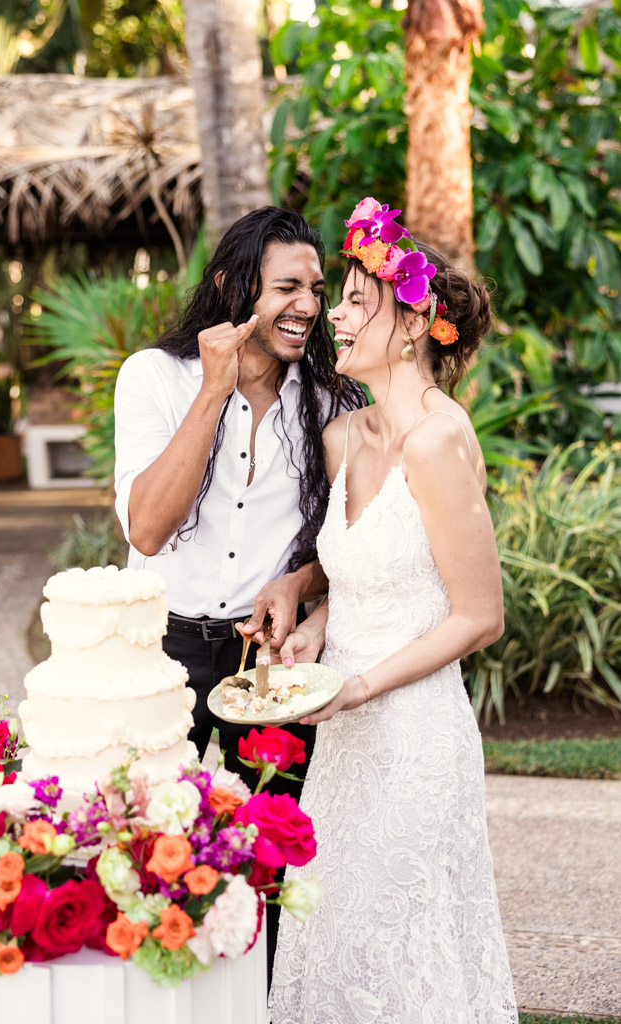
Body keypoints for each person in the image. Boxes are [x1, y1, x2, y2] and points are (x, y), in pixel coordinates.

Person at [268, 197, 518, 1023]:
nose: (329, 315)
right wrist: (310, 633)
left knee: (400, 946)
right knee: (332, 933)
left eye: (350, 301)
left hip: (409, 733)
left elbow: (478, 615)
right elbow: (366, 582)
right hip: (341, 732)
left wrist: (362, 686)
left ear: (411, 324)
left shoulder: (437, 440)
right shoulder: (348, 436)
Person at [113, 206, 363, 978]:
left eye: (317, 290)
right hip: (163, 653)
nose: (308, 307)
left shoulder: (332, 402)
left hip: (271, 667)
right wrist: (213, 391)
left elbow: (354, 540)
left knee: (268, 863)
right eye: (286, 286)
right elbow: (149, 528)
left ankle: (257, 1004)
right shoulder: (155, 377)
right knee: (154, 850)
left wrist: (301, 579)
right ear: (232, 285)